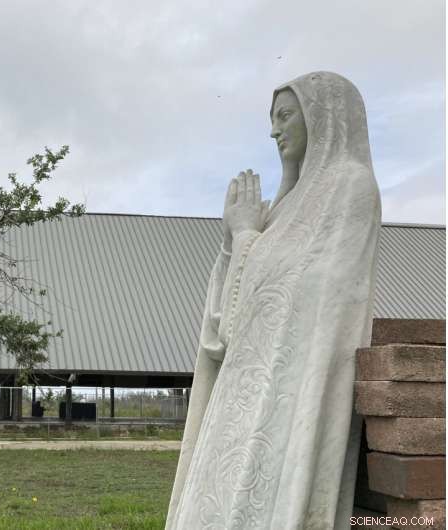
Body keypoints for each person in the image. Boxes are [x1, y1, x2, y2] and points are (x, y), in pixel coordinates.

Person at [165, 72, 381, 530]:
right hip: (242, 393)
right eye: (272, 119)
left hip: (281, 399)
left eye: (285, 115)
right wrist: (236, 238)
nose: (273, 131)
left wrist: (245, 235)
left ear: (322, 117)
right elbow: (230, 322)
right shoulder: (290, 203)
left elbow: (306, 289)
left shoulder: (350, 186)